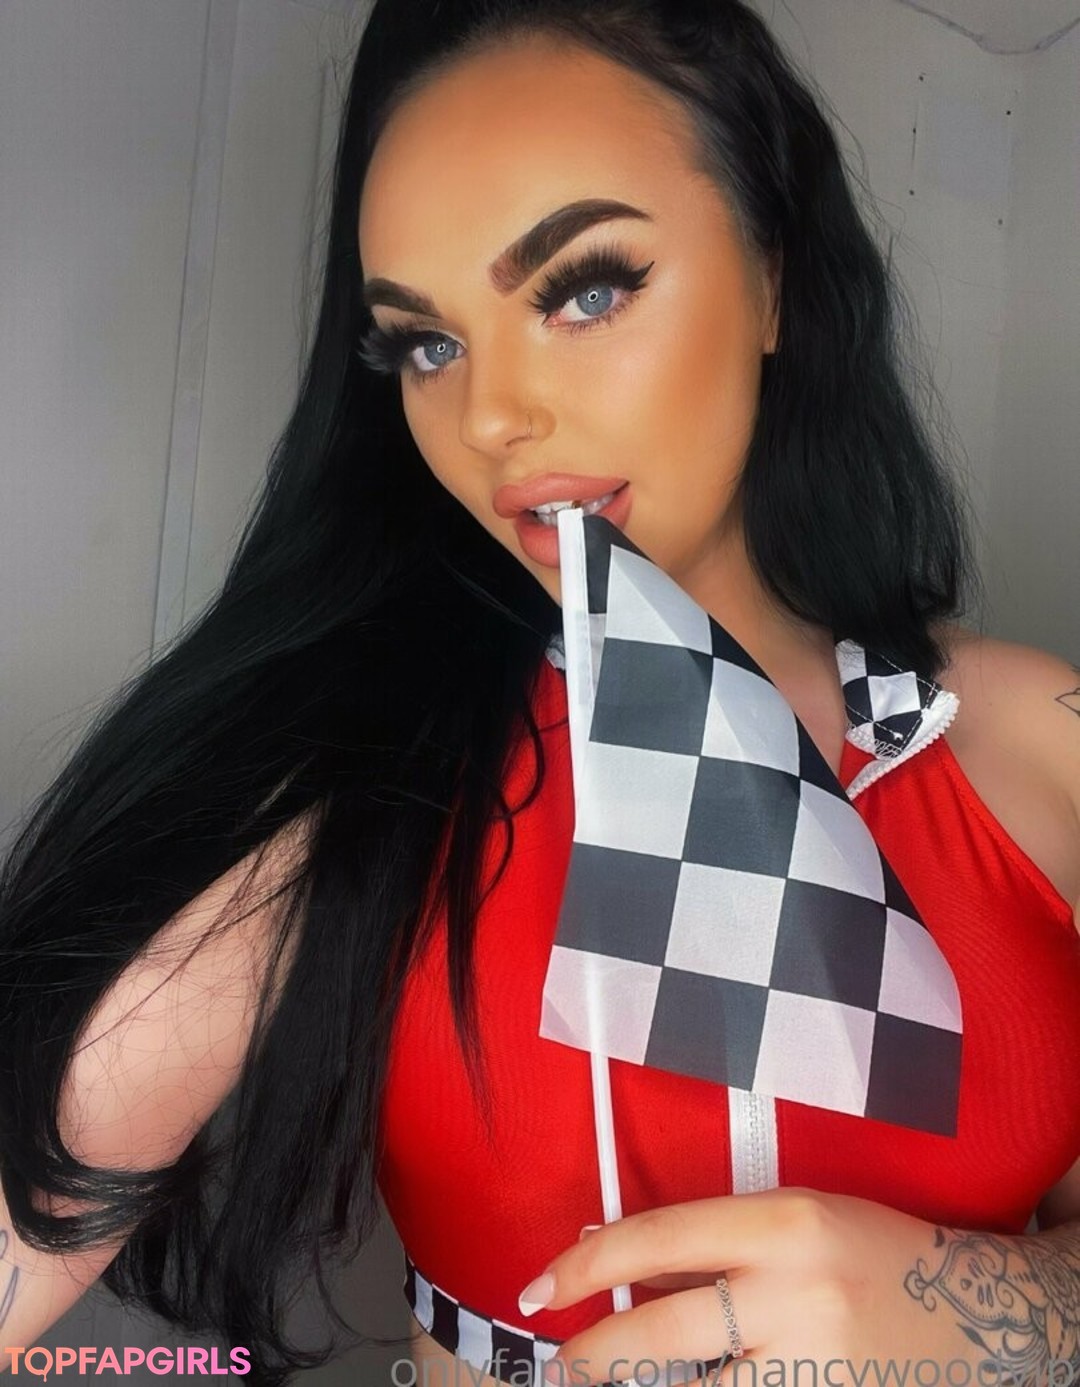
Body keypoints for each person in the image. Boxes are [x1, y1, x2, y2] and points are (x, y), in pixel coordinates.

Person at [1, 1, 1078, 1385]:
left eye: (584, 289)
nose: (492, 415)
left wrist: (999, 1303)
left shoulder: (1038, 743)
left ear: (775, 278)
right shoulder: (361, 775)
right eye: (425, 344)